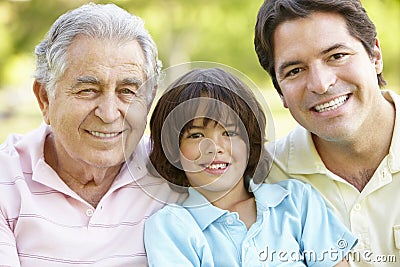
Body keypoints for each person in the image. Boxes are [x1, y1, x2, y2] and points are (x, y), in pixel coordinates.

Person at [0, 3, 183, 266]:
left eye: (128, 92)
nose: (109, 114)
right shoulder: (5, 179)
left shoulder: (178, 172)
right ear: (44, 99)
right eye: (88, 90)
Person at [144, 67, 357, 266]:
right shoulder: (171, 226)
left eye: (230, 132)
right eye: (196, 135)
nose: (215, 147)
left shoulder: (297, 202)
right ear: (173, 149)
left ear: (250, 142)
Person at [254, 0, 399, 265]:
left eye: (337, 56)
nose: (321, 84)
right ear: (280, 92)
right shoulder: (261, 181)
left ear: (375, 56)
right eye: (295, 70)